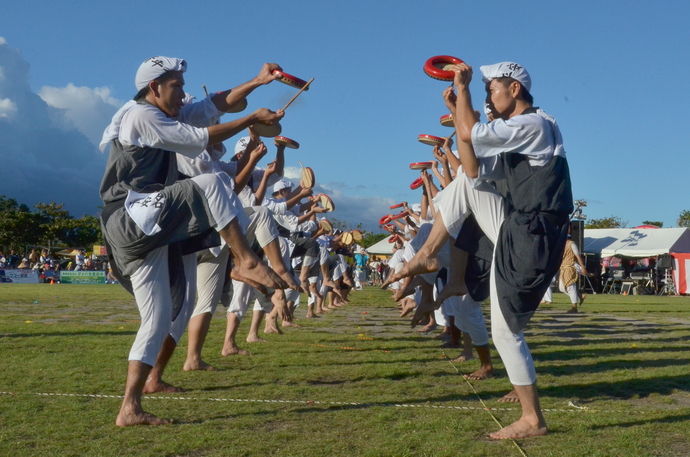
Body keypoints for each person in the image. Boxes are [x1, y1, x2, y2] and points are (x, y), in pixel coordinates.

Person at [99, 56, 288, 427]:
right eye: (177, 86)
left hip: (153, 222)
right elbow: (202, 136)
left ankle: (130, 407)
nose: (184, 93)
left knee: (165, 317)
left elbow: (213, 105)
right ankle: (246, 261)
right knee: (211, 183)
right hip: (131, 216)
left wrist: (257, 81)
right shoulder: (142, 116)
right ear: (155, 87)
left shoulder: (165, 113)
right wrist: (251, 120)